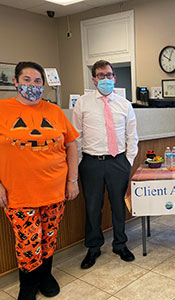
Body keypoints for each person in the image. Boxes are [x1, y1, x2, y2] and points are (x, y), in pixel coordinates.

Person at [0, 61, 79, 300]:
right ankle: (28, 284)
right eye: (27, 80)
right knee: (28, 240)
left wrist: (72, 180)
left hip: (54, 189)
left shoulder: (53, 111)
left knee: (48, 236)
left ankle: (45, 275)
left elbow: (71, 144)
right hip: (18, 191)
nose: (32, 86)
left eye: (37, 82)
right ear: (16, 82)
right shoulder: (2, 109)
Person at [72, 60, 138, 269]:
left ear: (114, 78)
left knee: (119, 206)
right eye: (101, 75)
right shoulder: (83, 103)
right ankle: (93, 248)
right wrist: (81, 163)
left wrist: (127, 161)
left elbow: (132, 136)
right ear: (93, 79)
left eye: (109, 75)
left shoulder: (124, 104)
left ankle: (120, 244)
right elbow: (76, 136)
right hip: (91, 163)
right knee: (92, 207)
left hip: (118, 161)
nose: (105, 79)